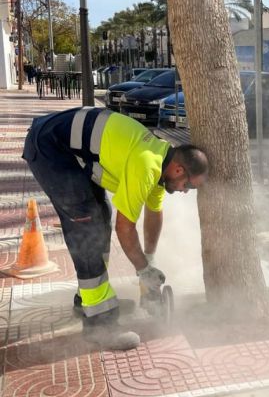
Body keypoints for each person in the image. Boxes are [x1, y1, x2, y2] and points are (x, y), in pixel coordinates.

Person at [22, 107, 208, 349]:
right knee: (87, 227)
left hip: (66, 149)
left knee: (102, 215)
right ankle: (99, 325)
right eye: (188, 185)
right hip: (49, 148)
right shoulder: (147, 164)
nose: (184, 191)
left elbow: (154, 214)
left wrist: (148, 265)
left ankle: (87, 300)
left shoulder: (160, 161)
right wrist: (142, 271)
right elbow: (125, 228)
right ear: (179, 170)